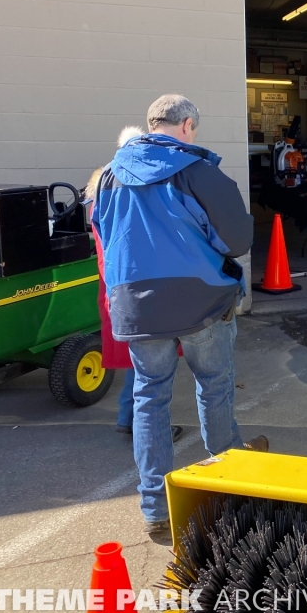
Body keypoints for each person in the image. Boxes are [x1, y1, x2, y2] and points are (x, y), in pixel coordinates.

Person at [93, 94, 260, 535]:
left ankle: (155, 507)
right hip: (201, 300)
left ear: (151, 125)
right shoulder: (198, 172)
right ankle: (228, 487)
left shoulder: (109, 176)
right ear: (186, 125)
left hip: (136, 305)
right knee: (215, 386)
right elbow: (237, 239)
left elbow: (104, 235)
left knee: (150, 398)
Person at [85, 132, 184, 443]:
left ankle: (127, 416)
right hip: (144, 286)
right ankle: (147, 429)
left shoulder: (102, 183)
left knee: (139, 359)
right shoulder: (138, 185)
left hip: (116, 286)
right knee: (153, 365)